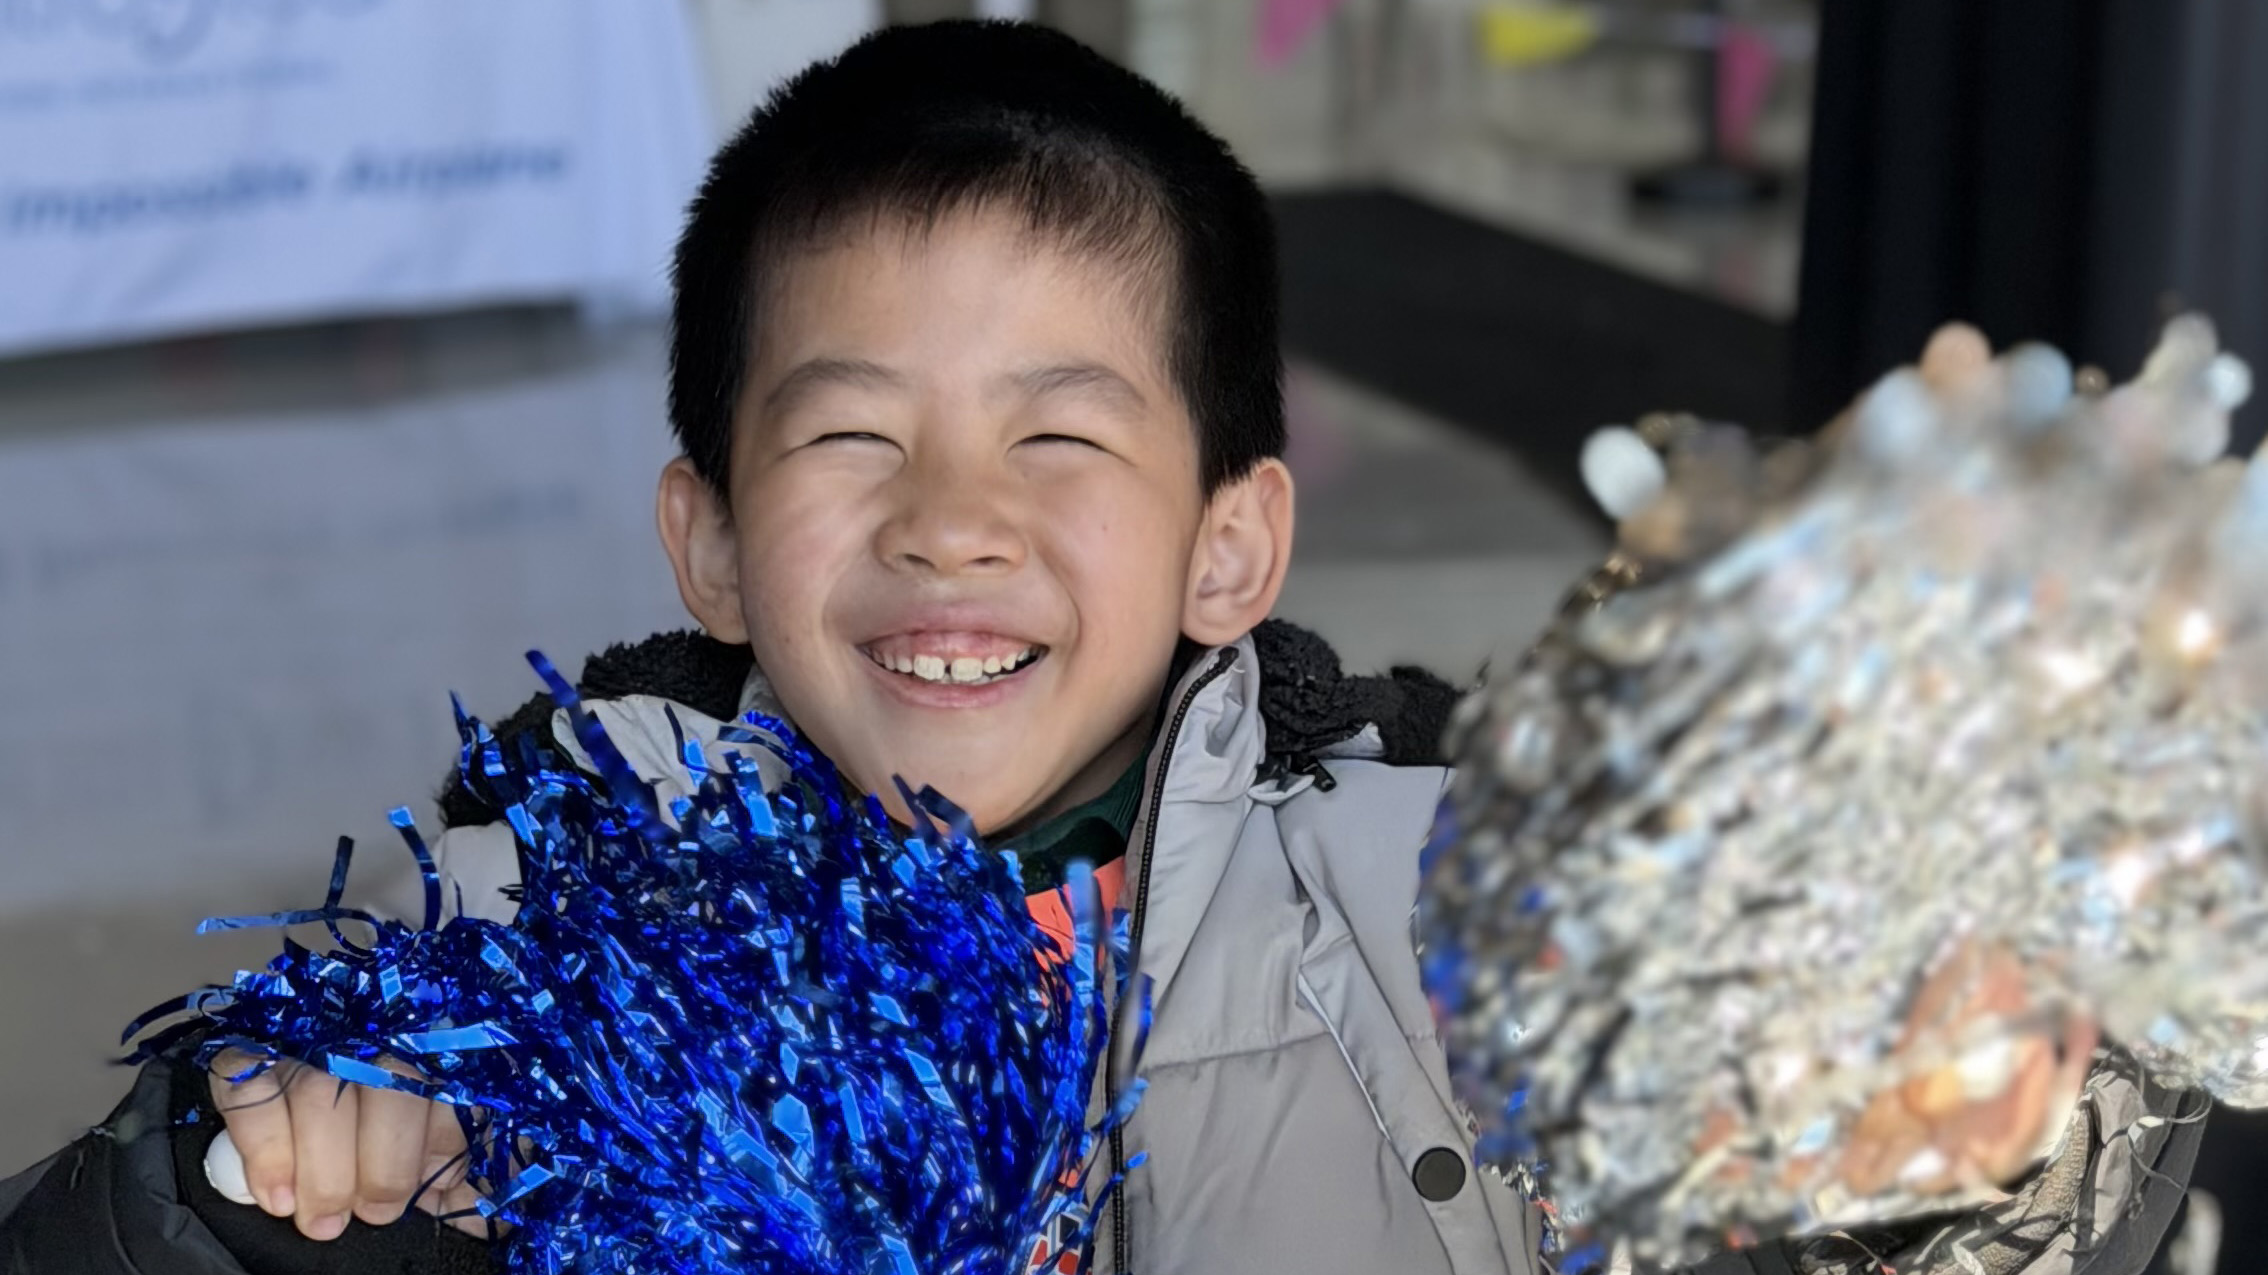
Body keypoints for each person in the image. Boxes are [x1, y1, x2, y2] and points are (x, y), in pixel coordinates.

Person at [0, 22, 2202, 1275]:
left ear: (1233, 540)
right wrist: (241, 1161)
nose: (952, 517)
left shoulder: (1455, 909)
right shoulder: (518, 924)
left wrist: (1973, 1130)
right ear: (710, 537)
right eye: (849, 430)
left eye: (1063, 432)